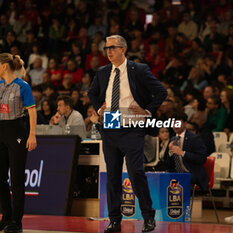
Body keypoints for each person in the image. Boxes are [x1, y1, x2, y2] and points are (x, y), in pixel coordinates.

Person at [88, 35, 167, 233]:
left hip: (132, 124)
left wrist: (148, 111)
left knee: (135, 172)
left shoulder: (138, 69)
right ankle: (115, 220)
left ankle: (148, 217)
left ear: (123, 49)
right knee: (113, 176)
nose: (108, 51)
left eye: (112, 47)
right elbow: (92, 93)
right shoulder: (102, 71)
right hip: (111, 122)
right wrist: (99, 109)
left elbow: (161, 91)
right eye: (106, 48)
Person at [0, 53, 37, 233]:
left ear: (4, 67)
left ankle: (16, 221)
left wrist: (32, 135)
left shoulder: (23, 86)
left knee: (16, 178)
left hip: (17, 131)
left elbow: (32, 111)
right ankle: (6, 217)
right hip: (0, 130)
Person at [168, 112, 209, 192]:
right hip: (177, 172)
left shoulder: (195, 138)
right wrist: (170, 153)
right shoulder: (173, 139)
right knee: (163, 176)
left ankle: (183, 203)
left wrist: (183, 153)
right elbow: (169, 164)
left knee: (179, 178)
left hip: (192, 172)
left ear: (185, 123)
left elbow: (202, 158)